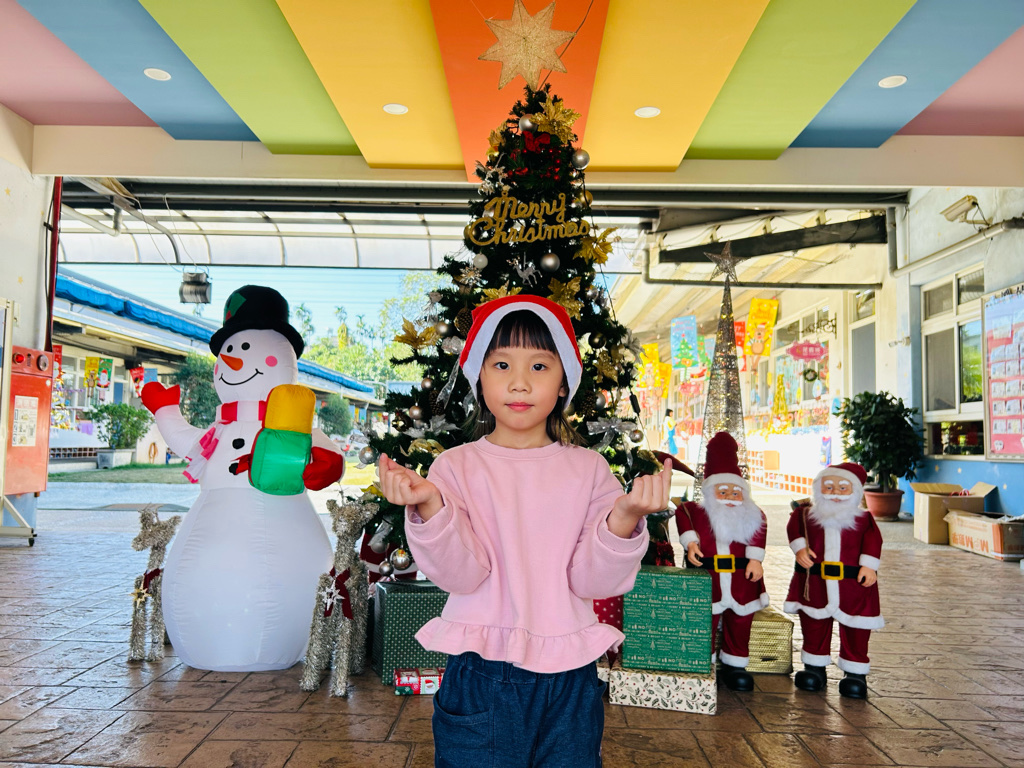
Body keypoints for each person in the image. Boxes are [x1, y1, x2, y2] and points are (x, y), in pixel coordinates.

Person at [378, 295, 672, 767]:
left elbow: (590, 581)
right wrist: (431, 504)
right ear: (479, 377)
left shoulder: (589, 470)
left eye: (539, 366)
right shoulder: (454, 468)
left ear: (564, 382)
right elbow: (461, 576)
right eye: (501, 365)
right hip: (480, 670)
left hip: (571, 676)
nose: (519, 382)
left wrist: (623, 518)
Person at [676, 431, 768, 691]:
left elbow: (758, 533)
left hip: (742, 579)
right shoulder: (696, 511)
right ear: (710, 491)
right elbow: (682, 514)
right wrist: (691, 543)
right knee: (705, 622)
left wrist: (756, 560)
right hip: (709, 579)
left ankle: (735, 665)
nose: (729, 497)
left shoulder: (753, 514)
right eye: (723, 491)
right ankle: (702, 663)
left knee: (740, 622)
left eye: (735, 492)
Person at [784, 463, 883, 699]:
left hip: (853, 584)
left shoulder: (864, 519)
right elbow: (794, 530)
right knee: (814, 624)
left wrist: (869, 565)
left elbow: (873, 540)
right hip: (815, 582)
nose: (835, 492)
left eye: (842, 488)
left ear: (854, 491)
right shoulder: (806, 515)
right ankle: (814, 667)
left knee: (856, 628)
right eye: (829, 487)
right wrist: (800, 549)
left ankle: (855, 672)